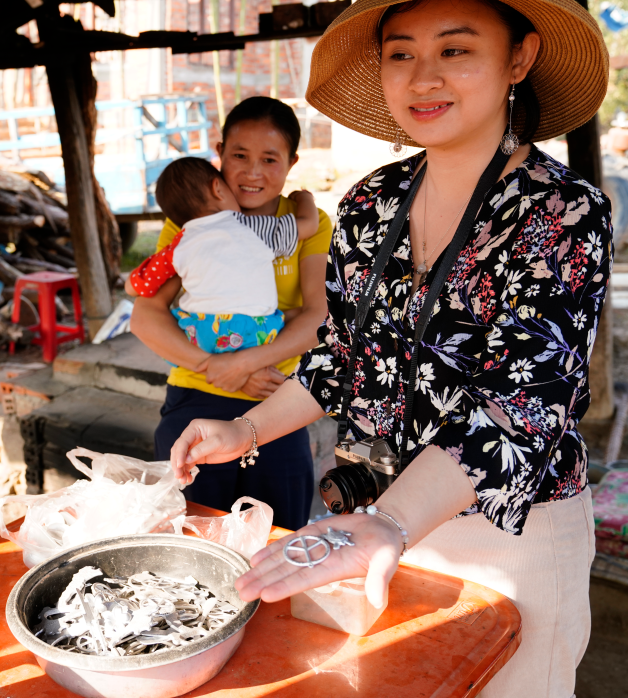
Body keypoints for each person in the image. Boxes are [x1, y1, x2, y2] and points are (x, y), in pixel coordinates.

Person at [169, 0, 610, 695]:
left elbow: (524, 403)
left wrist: (390, 523)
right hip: (367, 522)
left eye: (455, 50)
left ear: (518, 59)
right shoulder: (371, 202)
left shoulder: (562, 211)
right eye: (401, 54)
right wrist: (246, 429)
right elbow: (340, 359)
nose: (422, 77)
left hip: (506, 532)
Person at [132, 97, 334, 531]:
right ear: (220, 154)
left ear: (292, 162)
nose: (252, 172)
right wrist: (220, 368)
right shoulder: (191, 220)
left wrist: (245, 364)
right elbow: (145, 317)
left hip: (276, 398)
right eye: (239, 156)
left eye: (270, 159)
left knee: (279, 531)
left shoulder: (309, 223)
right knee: (191, 531)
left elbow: (317, 317)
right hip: (197, 390)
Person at [126, 156, 319, 357]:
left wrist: (132, 283)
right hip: (258, 331)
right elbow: (309, 224)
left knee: (177, 317)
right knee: (300, 314)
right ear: (217, 188)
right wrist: (304, 198)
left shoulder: (177, 247)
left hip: (202, 334)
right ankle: (250, 364)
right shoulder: (253, 227)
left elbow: (133, 287)